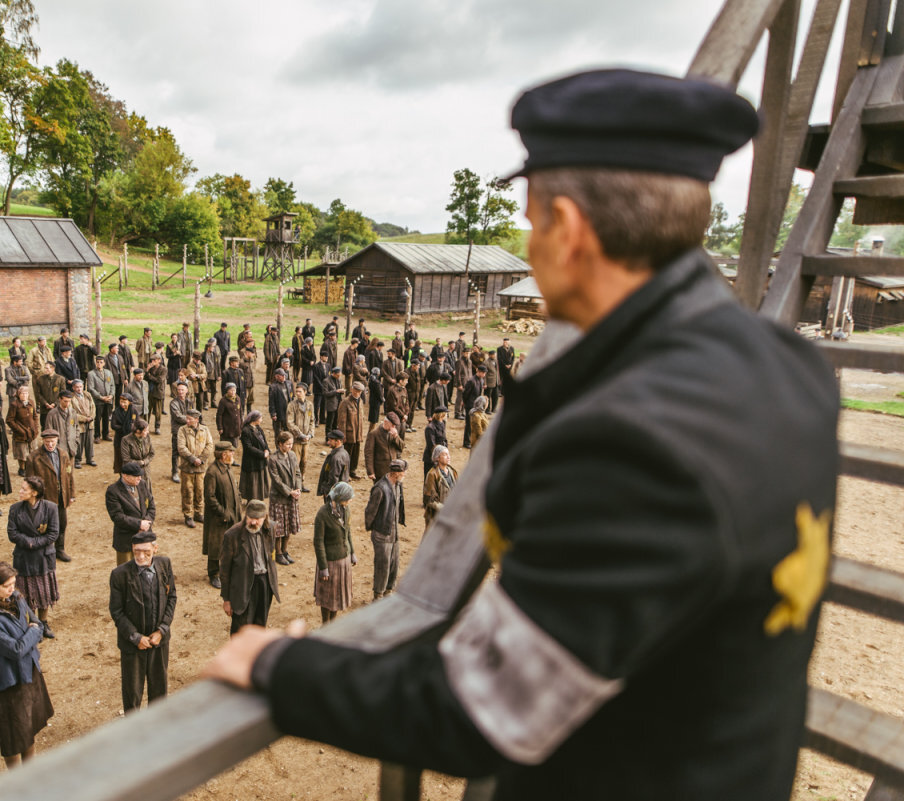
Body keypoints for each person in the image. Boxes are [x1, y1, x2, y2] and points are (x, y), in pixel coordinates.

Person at [201, 68, 841, 801]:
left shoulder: (630, 442)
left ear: (567, 231)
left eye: (535, 224)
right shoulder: (792, 367)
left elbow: (482, 705)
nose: (532, 246)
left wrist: (281, 665)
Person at [0, 562, 54, 767]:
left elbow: (37, 622)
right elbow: (16, 650)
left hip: (30, 669)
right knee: (13, 733)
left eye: (13, 583)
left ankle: (30, 771)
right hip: (9, 679)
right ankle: (16, 778)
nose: (12, 589)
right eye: (7, 585)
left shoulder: (17, 597)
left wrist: (33, 630)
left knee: (30, 724)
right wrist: (32, 632)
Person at [109, 530, 177, 713]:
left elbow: (171, 598)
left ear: (155, 548)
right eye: (136, 551)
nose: (140, 556)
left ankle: (157, 727)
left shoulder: (165, 564)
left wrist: (162, 630)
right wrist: (135, 637)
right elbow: (116, 611)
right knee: (132, 693)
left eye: (146, 551)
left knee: (159, 689)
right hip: (133, 645)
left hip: (158, 642)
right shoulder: (119, 575)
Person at [7, 476, 60, 638]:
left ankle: (44, 622)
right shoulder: (15, 509)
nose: (20, 491)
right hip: (23, 558)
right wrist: (28, 542)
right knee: (26, 595)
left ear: (34, 493)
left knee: (44, 593)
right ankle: (32, 624)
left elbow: (54, 533)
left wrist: (35, 543)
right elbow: (12, 533)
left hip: (43, 557)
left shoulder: (50, 508)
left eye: (24, 489)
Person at [219, 500, 279, 635]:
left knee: (260, 625)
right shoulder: (232, 535)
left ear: (265, 517)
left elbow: (271, 555)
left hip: (264, 584)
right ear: (245, 515)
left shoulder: (271, 529)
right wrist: (226, 599)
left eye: (257, 519)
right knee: (241, 629)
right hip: (243, 587)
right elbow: (224, 571)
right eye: (250, 518)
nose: (253, 523)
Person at [25, 430, 75, 563]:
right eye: (47, 442)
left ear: (57, 441)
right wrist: (34, 499)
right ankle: (45, 551)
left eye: (53, 442)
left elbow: (69, 475)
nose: (50, 445)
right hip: (45, 499)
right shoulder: (33, 458)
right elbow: (30, 481)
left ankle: (60, 549)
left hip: (61, 496)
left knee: (62, 524)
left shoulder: (63, 455)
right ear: (43, 441)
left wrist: (71, 494)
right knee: (44, 526)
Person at [313, 481, 356, 623]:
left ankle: (333, 622)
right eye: (348, 498)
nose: (350, 501)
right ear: (340, 498)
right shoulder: (322, 514)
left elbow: (347, 531)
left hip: (343, 560)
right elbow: (318, 542)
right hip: (330, 562)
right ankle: (326, 624)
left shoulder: (345, 509)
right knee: (327, 597)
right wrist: (323, 567)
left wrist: (352, 552)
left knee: (337, 597)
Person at [364, 458, 406, 600]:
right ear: (395, 473)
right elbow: (370, 511)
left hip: (393, 533)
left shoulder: (397, 485)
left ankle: (389, 591)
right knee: (382, 565)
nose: (404, 474)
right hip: (382, 534)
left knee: (394, 564)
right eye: (403, 472)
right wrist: (373, 529)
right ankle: (378, 595)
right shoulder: (380, 488)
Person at [203, 442, 240, 588]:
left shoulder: (227, 468)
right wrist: (222, 512)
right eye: (230, 452)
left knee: (230, 544)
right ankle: (214, 573)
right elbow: (210, 497)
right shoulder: (212, 472)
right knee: (216, 546)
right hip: (218, 518)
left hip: (232, 513)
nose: (232, 454)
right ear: (223, 455)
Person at [106, 462, 156, 565]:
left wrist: (147, 522)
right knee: (126, 574)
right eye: (136, 476)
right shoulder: (113, 491)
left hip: (145, 537)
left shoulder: (142, 484)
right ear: (124, 475)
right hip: (126, 541)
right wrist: (139, 524)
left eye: (140, 475)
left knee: (146, 570)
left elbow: (151, 505)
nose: (139, 478)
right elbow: (117, 517)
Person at [267, 432, 302, 565]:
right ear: (280, 444)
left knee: (289, 525)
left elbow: (297, 472)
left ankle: (285, 550)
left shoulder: (292, 455)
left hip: (292, 496)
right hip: (279, 498)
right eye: (287, 444)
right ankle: (278, 552)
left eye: (291, 444)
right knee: (279, 528)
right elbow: (276, 480)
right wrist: (290, 492)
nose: (290, 446)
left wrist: (298, 488)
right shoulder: (273, 459)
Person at [177, 408, 213, 529]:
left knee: (200, 491)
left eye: (190, 419)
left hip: (201, 468)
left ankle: (199, 513)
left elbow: (209, 445)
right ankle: (188, 515)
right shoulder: (182, 430)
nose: (187, 420)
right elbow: (181, 447)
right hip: (187, 467)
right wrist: (193, 459)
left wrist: (201, 459)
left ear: (197, 420)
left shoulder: (205, 429)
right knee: (187, 491)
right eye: (186, 418)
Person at [6, 384, 41, 477]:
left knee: (32, 450)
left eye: (26, 393)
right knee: (22, 452)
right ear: (18, 394)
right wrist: (19, 430)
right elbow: (9, 420)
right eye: (22, 393)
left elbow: (35, 416)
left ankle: (31, 467)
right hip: (21, 433)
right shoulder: (14, 405)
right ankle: (22, 468)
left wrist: (36, 428)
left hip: (32, 432)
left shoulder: (31, 403)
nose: (24, 395)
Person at [422, 445, 458, 531]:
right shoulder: (432, 474)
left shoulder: (452, 472)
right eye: (445, 454)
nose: (448, 457)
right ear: (437, 458)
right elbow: (430, 500)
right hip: (436, 516)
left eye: (448, 454)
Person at [285, 384, 314, 489]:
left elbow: (312, 421)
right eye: (296, 391)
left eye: (300, 391)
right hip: (296, 440)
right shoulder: (291, 405)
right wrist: (300, 434)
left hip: (306, 440)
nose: (297, 393)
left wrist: (310, 434)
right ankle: (293, 484)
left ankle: (301, 483)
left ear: (305, 392)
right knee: (295, 462)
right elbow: (290, 423)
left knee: (304, 462)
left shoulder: (310, 405)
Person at [239, 411, 270, 502]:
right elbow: (248, 447)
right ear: (255, 419)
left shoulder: (258, 428)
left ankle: (259, 500)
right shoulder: (246, 431)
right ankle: (251, 501)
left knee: (259, 482)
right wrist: (262, 454)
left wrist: (267, 450)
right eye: (260, 418)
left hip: (260, 461)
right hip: (251, 462)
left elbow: (264, 441)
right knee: (252, 483)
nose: (261, 420)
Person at [336, 382, 365, 480]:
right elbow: (341, 420)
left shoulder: (360, 401)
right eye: (356, 391)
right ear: (352, 390)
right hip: (348, 434)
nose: (357, 393)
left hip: (357, 433)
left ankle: (352, 471)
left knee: (355, 454)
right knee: (346, 455)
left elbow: (361, 417)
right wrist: (342, 435)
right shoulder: (345, 402)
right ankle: (344, 473)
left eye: (359, 391)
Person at [365, 413, 405, 483]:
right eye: (392, 425)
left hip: (393, 470)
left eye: (395, 425)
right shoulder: (374, 434)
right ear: (386, 422)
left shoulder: (394, 432)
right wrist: (370, 471)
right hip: (380, 471)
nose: (394, 427)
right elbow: (369, 454)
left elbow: (401, 447)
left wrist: (396, 437)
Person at [87, 354, 115, 443]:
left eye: (101, 362)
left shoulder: (108, 372)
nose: (99, 364)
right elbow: (91, 388)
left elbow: (112, 385)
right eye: (97, 362)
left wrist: (111, 395)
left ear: (104, 363)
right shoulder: (91, 374)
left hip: (108, 400)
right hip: (98, 400)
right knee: (97, 418)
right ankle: (97, 436)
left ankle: (106, 434)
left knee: (106, 418)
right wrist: (101, 397)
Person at [46, 390, 79, 464]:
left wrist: (76, 441)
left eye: (69, 401)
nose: (67, 404)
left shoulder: (73, 412)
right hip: (58, 449)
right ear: (60, 399)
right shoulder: (52, 414)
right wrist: (55, 445)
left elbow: (77, 428)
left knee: (70, 471)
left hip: (71, 448)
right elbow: (49, 432)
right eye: (65, 401)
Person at [70, 379, 96, 467]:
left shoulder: (87, 394)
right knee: (79, 442)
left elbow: (93, 407)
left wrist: (92, 417)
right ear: (73, 388)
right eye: (77, 387)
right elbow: (72, 413)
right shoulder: (71, 398)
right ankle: (77, 460)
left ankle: (90, 459)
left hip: (90, 423)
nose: (79, 389)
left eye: (80, 387)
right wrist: (84, 419)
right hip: (79, 425)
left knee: (90, 442)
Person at [119, 418, 155, 484]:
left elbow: (152, 453)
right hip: (132, 474)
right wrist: (140, 463)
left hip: (146, 472)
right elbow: (126, 460)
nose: (148, 432)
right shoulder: (125, 440)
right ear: (138, 431)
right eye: (146, 430)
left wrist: (145, 462)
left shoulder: (147, 437)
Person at [315, 430, 349, 497]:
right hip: (341, 490)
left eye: (330, 440)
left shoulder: (336, 457)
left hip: (334, 493)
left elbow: (333, 478)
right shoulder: (345, 453)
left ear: (338, 441)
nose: (328, 442)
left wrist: (328, 492)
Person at [168, 382, 190, 482]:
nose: (180, 392)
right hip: (178, 430)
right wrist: (191, 420)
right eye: (179, 390)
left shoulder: (190, 401)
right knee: (176, 452)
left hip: (189, 430)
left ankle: (186, 469)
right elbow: (178, 417)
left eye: (182, 390)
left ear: (187, 391)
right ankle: (175, 472)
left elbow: (195, 413)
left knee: (188, 450)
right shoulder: (173, 403)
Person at [111, 394, 138, 473]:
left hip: (131, 439)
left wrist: (131, 427)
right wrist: (125, 427)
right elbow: (113, 425)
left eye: (124, 402)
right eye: (121, 402)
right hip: (120, 439)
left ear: (129, 402)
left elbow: (136, 422)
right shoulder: (116, 412)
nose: (122, 404)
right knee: (120, 458)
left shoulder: (133, 411)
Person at [34, 361, 65, 428]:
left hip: (57, 409)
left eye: (47, 368)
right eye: (45, 368)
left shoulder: (60, 379)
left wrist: (55, 404)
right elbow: (38, 394)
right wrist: (45, 403)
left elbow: (63, 394)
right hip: (44, 409)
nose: (45, 370)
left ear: (53, 368)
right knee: (45, 427)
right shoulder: (40, 379)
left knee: (57, 427)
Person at [461, 365, 487, 447]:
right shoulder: (471, 381)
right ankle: (466, 442)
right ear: (478, 372)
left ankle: (472, 440)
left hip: (476, 405)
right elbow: (465, 394)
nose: (484, 374)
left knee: (475, 423)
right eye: (483, 373)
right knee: (468, 424)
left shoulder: (481, 380)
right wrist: (465, 403)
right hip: (470, 404)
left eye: (484, 373)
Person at [422, 406, 448, 478]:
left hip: (441, 456)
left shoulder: (442, 423)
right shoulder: (430, 428)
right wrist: (438, 457)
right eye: (446, 414)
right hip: (431, 458)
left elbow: (444, 438)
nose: (447, 415)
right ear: (441, 415)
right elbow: (431, 445)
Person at [217, 383, 242, 448]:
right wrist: (220, 428)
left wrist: (241, 425)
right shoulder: (223, 401)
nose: (233, 392)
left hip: (236, 428)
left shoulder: (238, 398)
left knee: (234, 446)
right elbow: (219, 415)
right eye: (231, 390)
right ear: (227, 391)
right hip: (227, 429)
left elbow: (240, 413)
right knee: (225, 447)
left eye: (234, 390)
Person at [267, 369, 289, 438]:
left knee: (288, 431)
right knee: (278, 433)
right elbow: (271, 402)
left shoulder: (289, 383)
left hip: (288, 412)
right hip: (278, 413)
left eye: (284, 375)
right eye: (281, 376)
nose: (283, 377)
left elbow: (292, 396)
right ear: (276, 377)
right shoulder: (273, 387)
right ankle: (278, 447)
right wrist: (273, 414)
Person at [321, 365, 343, 432]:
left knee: (335, 423)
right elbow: (325, 393)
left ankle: (334, 438)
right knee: (329, 423)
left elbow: (340, 388)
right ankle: (328, 439)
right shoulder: (326, 381)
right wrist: (336, 391)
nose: (339, 377)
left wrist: (342, 391)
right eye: (338, 375)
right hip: (331, 404)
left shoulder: (338, 379)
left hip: (338, 403)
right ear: (333, 374)